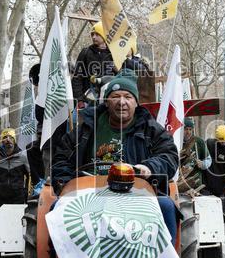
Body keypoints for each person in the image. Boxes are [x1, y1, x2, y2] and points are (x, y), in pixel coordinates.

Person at [52, 69, 178, 197]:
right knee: (54, 207)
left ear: (136, 103)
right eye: (115, 96)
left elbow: (169, 156)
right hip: (88, 193)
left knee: (167, 207)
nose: (122, 102)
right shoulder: (85, 130)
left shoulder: (152, 130)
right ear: (106, 102)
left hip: (137, 193)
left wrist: (149, 168)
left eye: (128, 97)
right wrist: (68, 185)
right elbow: (61, 160)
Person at [71, 23, 116, 106]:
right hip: (88, 99)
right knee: (76, 118)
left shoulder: (114, 54)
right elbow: (77, 77)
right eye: (92, 34)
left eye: (97, 34)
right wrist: (80, 100)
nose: (94, 37)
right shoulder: (85, 52)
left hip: (109, 98)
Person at [0, 128, 31, 214]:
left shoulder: (22, 157)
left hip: (18, 197)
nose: (8, 140)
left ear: (14, 140)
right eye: (5, 137)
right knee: (0, 224)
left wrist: (25, 192)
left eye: (10, 137)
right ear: (2, 141)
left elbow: (30, 175)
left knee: (16, 222)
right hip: (0, 197)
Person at [177, 118, 211, 195]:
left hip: (195, 183)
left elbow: (209, 160)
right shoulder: (176, 140)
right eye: (186, 129)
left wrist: (202, 164)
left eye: (190, 129)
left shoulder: (199, 142)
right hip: (178, 183)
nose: (188, 132)